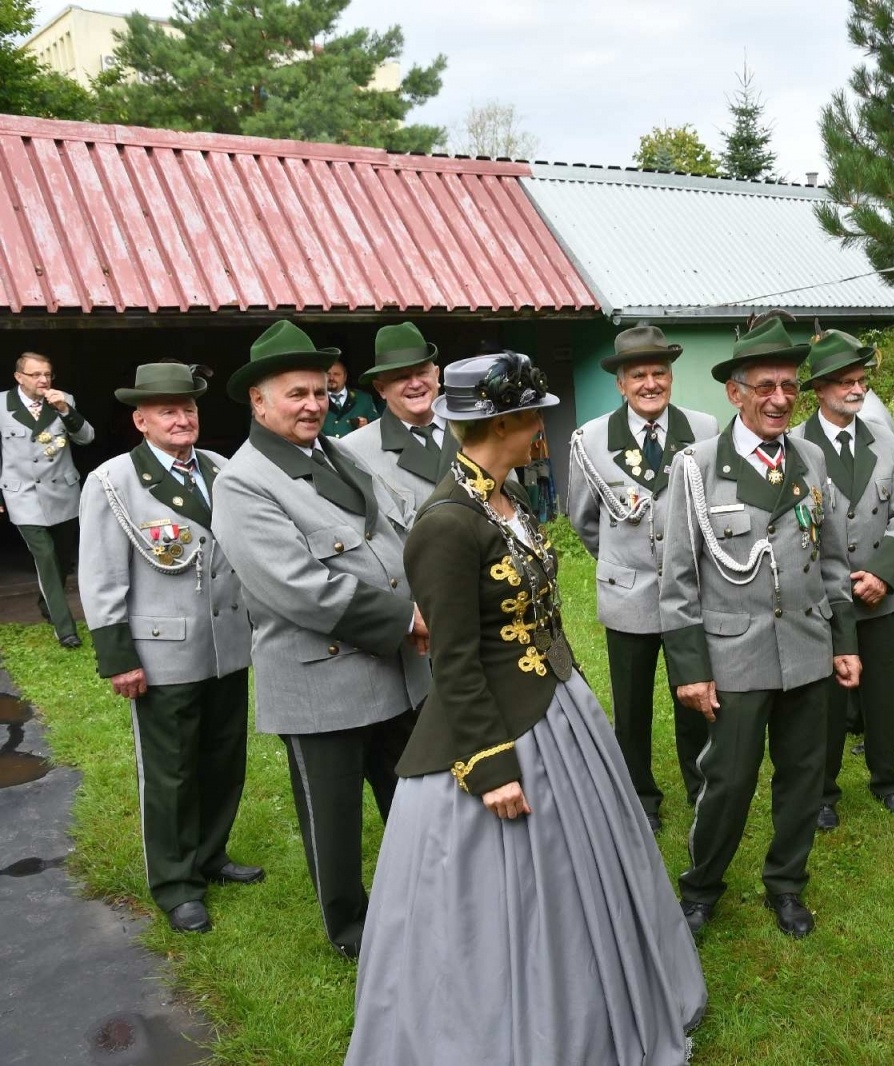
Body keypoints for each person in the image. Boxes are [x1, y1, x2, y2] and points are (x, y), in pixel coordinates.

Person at [347, 352, 705, 1065]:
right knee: (506, 899)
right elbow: (450, 659)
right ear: (506, 422)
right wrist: (488, 766)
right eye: (533, 413)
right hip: (499, 732)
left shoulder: (504, 497)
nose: (543, 423)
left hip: (556, 708)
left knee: (585, 872)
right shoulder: (446, 522)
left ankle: (608, 995)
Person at [211, 320, 429, 958]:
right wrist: (407, 620)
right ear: (258, 400)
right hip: (321, 680)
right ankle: (351, 931)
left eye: (319, 392)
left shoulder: (340, 454)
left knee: (410, 799)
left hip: (394, 669)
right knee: (331, 820)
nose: (313, 405)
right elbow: (296, 586)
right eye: (296, 395)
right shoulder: (243, 482)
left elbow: (389, 538)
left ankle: (418, 898)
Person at [658, 313, 860, 940]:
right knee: (729, 781)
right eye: (764, 386)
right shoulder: (695, 467)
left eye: (789, 387)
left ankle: (786, 885)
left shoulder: (810, 460)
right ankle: (701, 889)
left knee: (802, 779)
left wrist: (845, 642)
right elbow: (678, 580)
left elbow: (832, 556)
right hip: (735, 654)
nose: (779, 400)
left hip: (806, 646)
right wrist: (690, 670)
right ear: (735, 391)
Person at [78, 362, 261, 934]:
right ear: (141, 420)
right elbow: (102, 576)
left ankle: (210, 854)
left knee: (224, 758)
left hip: (226, 646)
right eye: (167, 411)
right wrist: (118, 656)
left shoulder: (220, 468)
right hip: (163, 653)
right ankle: (177, 884)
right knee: (171, 773)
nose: (182, 420)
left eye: (188, 410)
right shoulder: (112, 482)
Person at [567, 324, 718, 834]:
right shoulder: (590, 438)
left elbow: (712, 510)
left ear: (670, 377)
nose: (650, 383)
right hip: (626, 596)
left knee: (694, 698)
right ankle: (640, 795)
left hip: (689, 596)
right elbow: (584, 518)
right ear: (621, 383)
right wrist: (620, 560)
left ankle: (702, 786)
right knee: (630, 707)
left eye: (659, 373)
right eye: (639, 375)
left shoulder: (703, 430)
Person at [800, 329, 894, 828]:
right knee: (825, 697)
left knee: (882, 690)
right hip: (825, 598)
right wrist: (838, 583)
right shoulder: (797, 445)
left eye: (861, 380)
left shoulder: (883, 440)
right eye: (845, 381)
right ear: (821, 389)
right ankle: (823, 792)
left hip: (878, 593)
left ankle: (887, 780)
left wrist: (885, 575)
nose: (857, 390)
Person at [1, 351, 94, 647]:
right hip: (23, 495)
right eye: (36, 374)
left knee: (62, 559)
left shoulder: (64, 399)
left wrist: (66, 410)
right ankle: (65, 628)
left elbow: (87, 437)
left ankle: (46, 602)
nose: (43, 380)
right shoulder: (2, 405)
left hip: (63, 492)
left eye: (48, 374)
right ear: (19, 377)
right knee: (44, 559)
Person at [340, 322, 454, 517]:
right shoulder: (353, 451)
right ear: (381, 389)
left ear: (436, 375)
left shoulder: (477, 429)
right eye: (401, 377)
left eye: (422, 373)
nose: (415, 384)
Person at [321, 358, 379, 438]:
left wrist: (367, 425)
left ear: (345, 377)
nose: (331, 378)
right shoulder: (316, 399)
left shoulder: (364, 399)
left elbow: (377, 427)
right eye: (328, 374)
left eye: (336, 374)